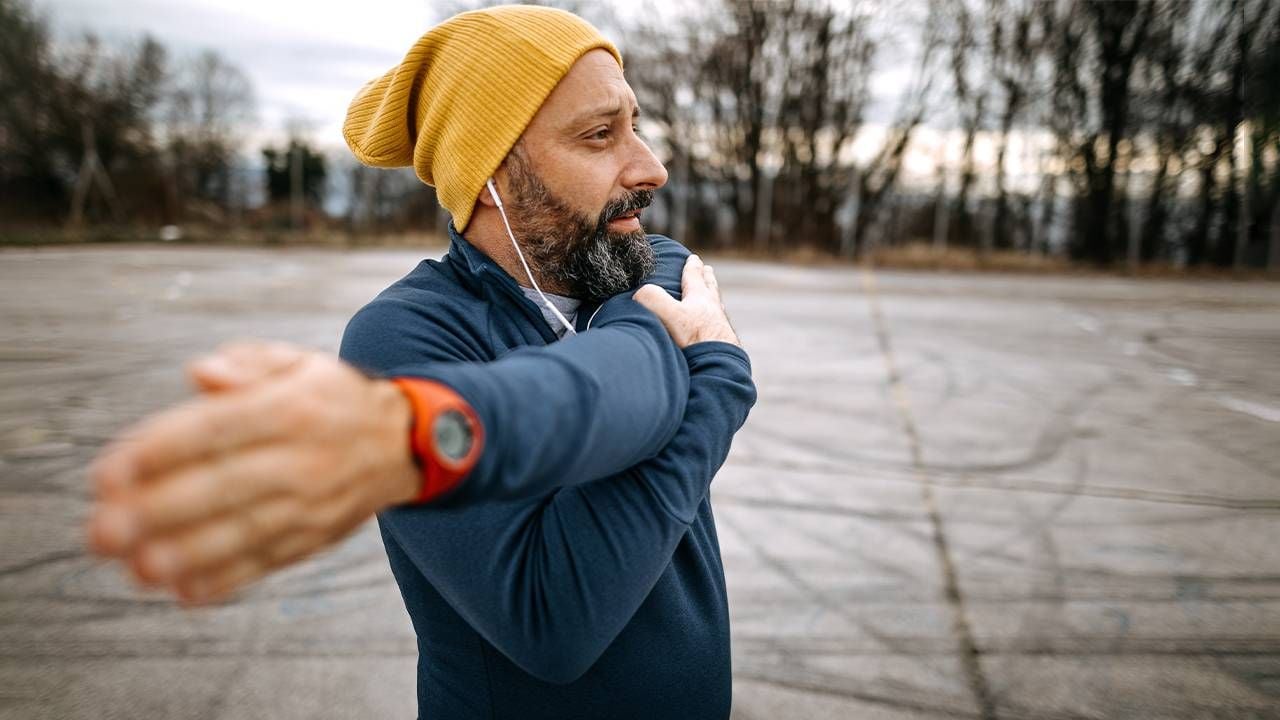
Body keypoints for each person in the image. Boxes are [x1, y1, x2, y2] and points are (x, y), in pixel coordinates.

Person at [87, 6, 755, 719]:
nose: (649, 165)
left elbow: (636, 372)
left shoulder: (644, 260)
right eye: (600, 135)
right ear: (494, 173)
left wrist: (709, 381)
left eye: (634, 123)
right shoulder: (405, 336)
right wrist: (716, 381)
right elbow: (553, 622)